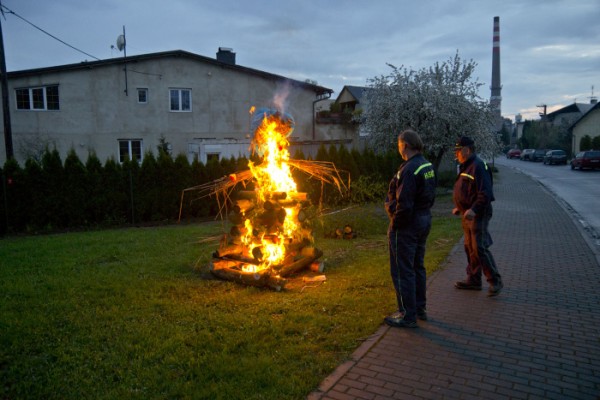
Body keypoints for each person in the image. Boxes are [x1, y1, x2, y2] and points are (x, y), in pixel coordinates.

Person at [384, 129, 436, 328]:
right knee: (417, 267)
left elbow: (404, 205)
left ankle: (407, 314)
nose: (398, 148)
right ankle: (419, 308)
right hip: (423, 220)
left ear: (405, 145)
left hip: (407, 225)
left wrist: (395, 225)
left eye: (398, 144)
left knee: (402, 270)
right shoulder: (426, 165)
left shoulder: (409, 169)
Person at [452, 136, 503, 296]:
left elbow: (485, 193)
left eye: (458, 151)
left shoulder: (478, 166)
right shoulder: (467, 166)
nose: (456, 154)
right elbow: (468, 190)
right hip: (467, 213)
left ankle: (495, 281)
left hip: (478, 214)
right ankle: (473, 279)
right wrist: (460, 207)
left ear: (466, 150)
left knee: (478, 247)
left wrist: (473, 209)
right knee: (469, 247)